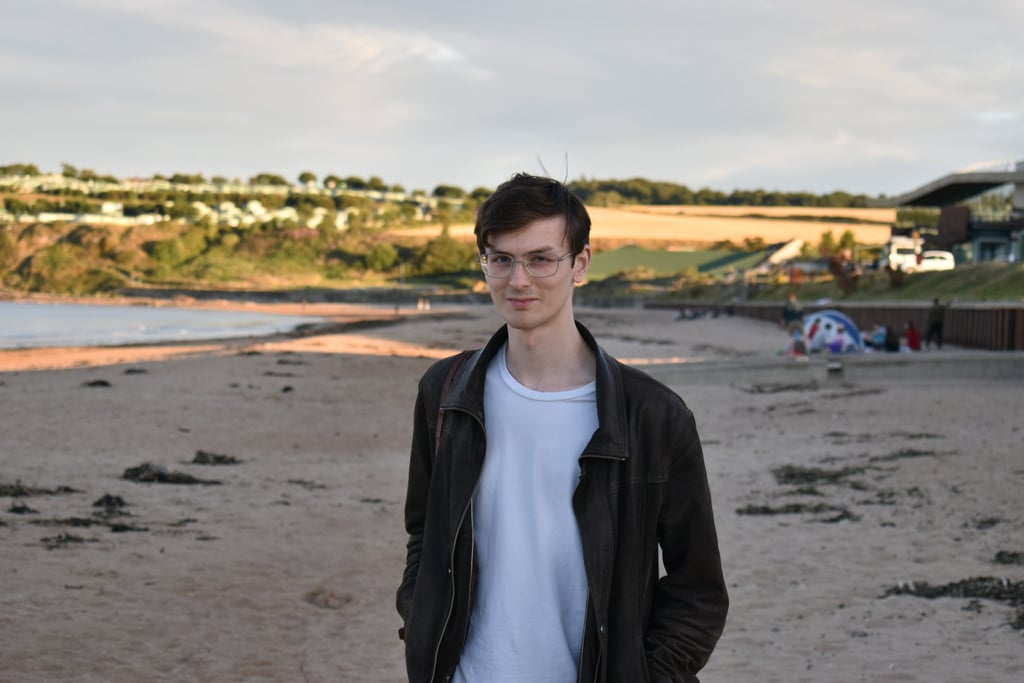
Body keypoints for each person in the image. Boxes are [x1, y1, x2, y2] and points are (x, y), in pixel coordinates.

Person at [397, 173, 728, 683]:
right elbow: (425, 531)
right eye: (500, 259)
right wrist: (420, 620)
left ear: (581, 264)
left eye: (540, 259)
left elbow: (698, 589)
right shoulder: (445, 392)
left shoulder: (653, 416)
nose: (518, 280)